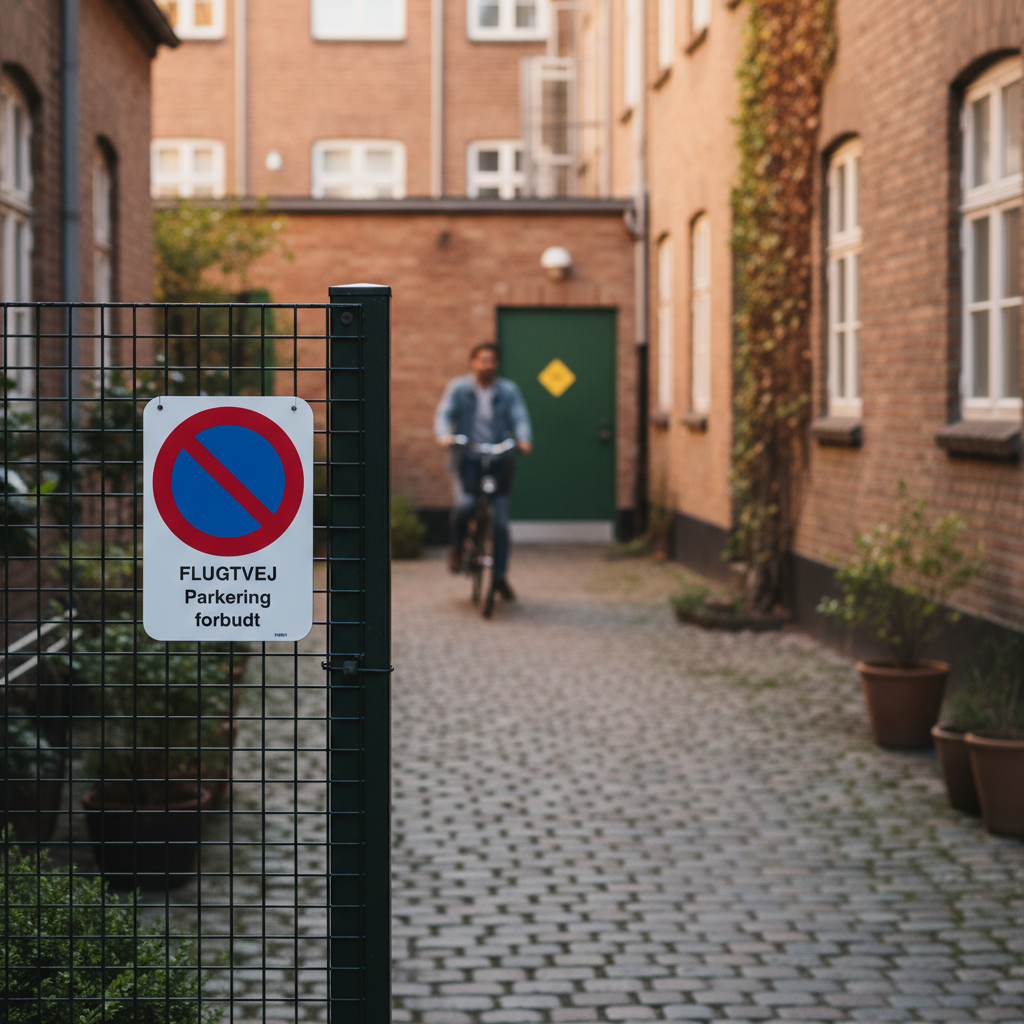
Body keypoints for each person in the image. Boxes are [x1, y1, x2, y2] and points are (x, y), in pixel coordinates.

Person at [434, 342, 532, 600]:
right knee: (466, 505)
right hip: (468, 458)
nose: (487, 365)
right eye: (483, 360)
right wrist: (445, 435)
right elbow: (444, 414)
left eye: (492, 361)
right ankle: (456, 547)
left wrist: (523, 439)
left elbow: (520, 416)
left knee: (499, 522)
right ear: (473, 363)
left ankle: (499, 576)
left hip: (499, 460)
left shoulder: (508, 391)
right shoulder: (459, 388)